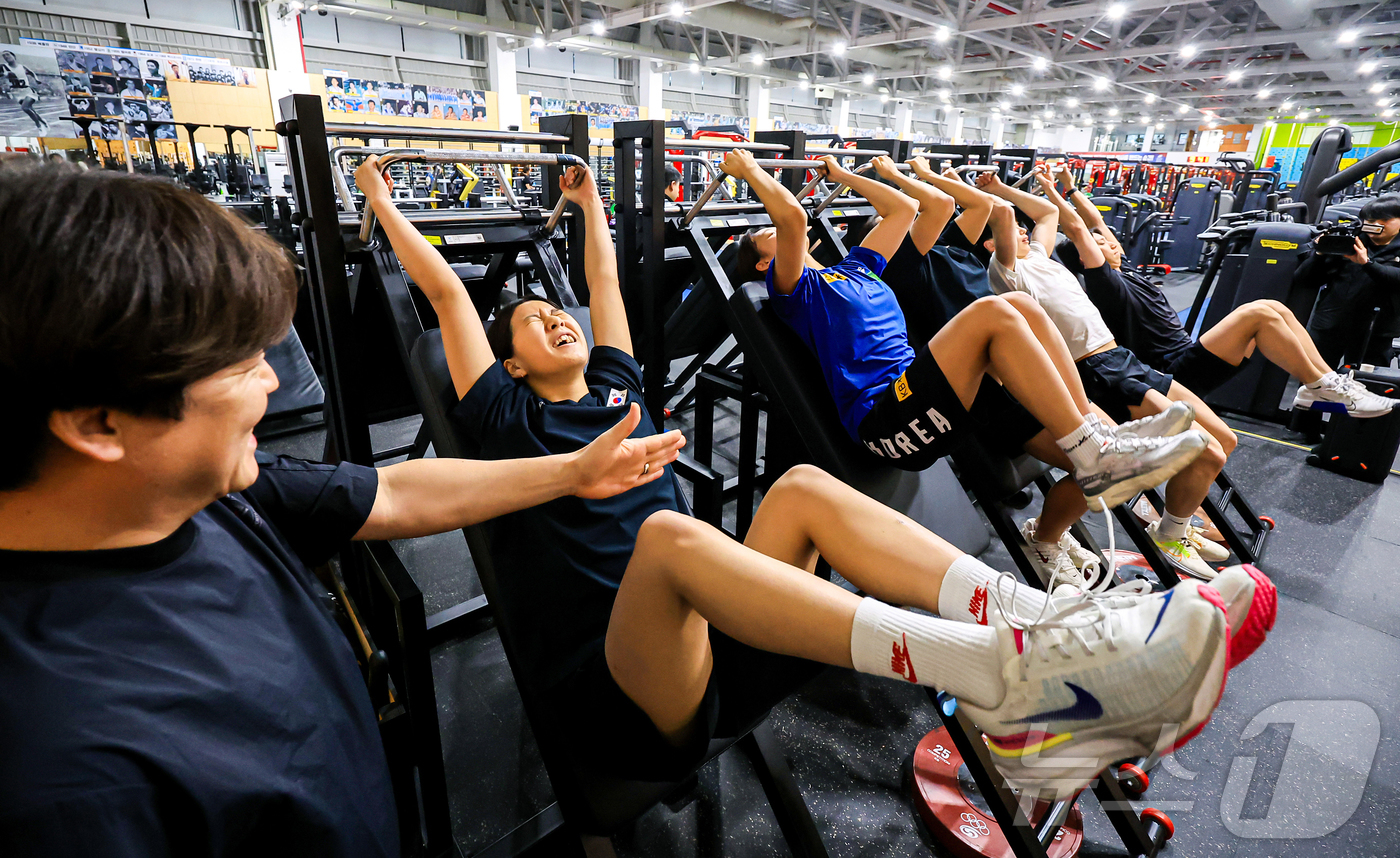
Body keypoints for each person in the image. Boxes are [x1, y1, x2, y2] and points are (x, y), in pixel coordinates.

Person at [355, 152, 1267, 807]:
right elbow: (441, 294)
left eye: (560, 314)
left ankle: (1041, 631)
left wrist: (592, 203)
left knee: (796, 488)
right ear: (505, 363)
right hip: (627, 691)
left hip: (718, 635)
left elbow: (602, 285)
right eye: (530, 321)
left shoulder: (615, 382)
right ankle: (1013, 676)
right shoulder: (505, 420)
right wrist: (373, 198)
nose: (556, 320)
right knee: (678, 536)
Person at [0, 165, 690, 854]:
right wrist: (380, 203)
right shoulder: (70, 783)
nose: (273, 381)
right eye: (239, 367)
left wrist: (572, 472)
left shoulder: (224, 495)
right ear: (97, 423)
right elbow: (446, 295)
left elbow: (392, 492)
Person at [736, 151, 1206, 515]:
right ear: (763, 263)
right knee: (992, 313)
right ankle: (1092, 452)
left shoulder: (858, 268)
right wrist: (749, 169)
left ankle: (1090, 440)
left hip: (918, 395)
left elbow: (903, 208)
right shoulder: (795, 291)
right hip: (886, 418)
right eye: (765, 233)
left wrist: (842, 175)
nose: (774, 229)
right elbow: (793, 218)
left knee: (1018, 304)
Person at [847, 157, 1101, 584]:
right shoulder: (902, 267)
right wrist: (907, 174)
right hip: (989, 392)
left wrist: (949, 180)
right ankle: (1047, 538)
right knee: (1101, 471)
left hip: (1027, 374)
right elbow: (938, 204)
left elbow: (988, 208)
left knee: (1118, 459)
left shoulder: (954, 252)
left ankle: (1082, 448)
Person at [977, 167, 1228, 579]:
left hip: (1119, 357)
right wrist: (989, 193)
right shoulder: (1006, 273)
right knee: (1129, 466)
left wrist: (1025, 187)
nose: (1024, 233)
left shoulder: (1039, 257)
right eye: (1015, 233)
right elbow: (1006, 216)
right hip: (1088, 369)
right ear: (991, 244)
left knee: (1213, 447)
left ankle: (1169, 526)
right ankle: (1052, 535)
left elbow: (1044, 214)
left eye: (1026, 232)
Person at [1048, 164, 1395, 419]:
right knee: (1258, 312)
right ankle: (1322, 385)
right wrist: (1050, 193)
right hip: (1173, 370)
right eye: (1098, 243)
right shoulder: (1105, 285)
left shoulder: (1125, 266)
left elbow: (1092, 220)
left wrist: (1069, 185)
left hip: (1189, 356)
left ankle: (1321, 383)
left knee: (1276, 309)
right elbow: (1079, 228)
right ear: (1087, 257)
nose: (1109, 239)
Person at [1295, 193, 1400, 369]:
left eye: (1382, 221)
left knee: (1368, 386)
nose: (1374, 226)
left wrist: (1367, 263)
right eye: (1370, 221)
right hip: (1332, 323)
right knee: (1315, 379)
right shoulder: (1349, 241)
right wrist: (1319, 254)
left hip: (1377, 331)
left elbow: (1395, 279)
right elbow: (1305, 279)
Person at [0, 51, 49, 135]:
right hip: (17, 92)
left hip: (27, 90)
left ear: (13, 56)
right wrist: (5, 76)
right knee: (30, 110)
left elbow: (31, 72)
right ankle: (43, 122)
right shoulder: (3, 67)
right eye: (4, 56)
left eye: (8, 54)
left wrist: (36, 80)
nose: (6, 56)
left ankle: (40, 127)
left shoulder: (22, 66)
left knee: (25, 108)